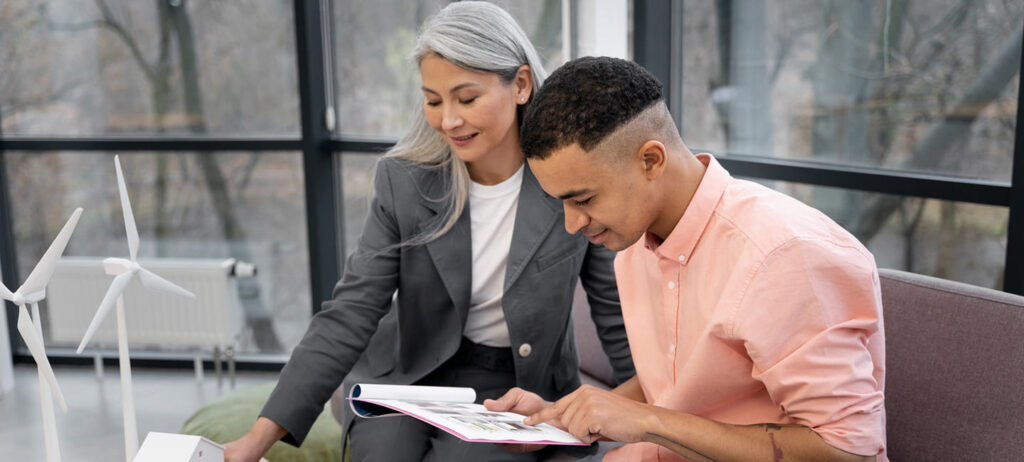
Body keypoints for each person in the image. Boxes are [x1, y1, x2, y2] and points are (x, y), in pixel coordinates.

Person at [224, 5, 634, 462]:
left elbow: (616, 314)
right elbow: (351, 311)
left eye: (466, 98)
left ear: (520, 85)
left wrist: (657, 427)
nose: (449, 120)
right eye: (434, 100)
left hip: (515, 385)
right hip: (406, 376)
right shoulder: (405, 181)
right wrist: (256, 439)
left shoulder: (569, 183)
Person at [485, 56, 887, 461]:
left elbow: (849, 452)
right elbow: (681, 380)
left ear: (651, 160)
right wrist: (560, 418)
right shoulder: (633, 243)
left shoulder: (783, 255)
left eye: (585, 199)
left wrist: (647, 422)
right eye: (562, 204)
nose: (572, 225)